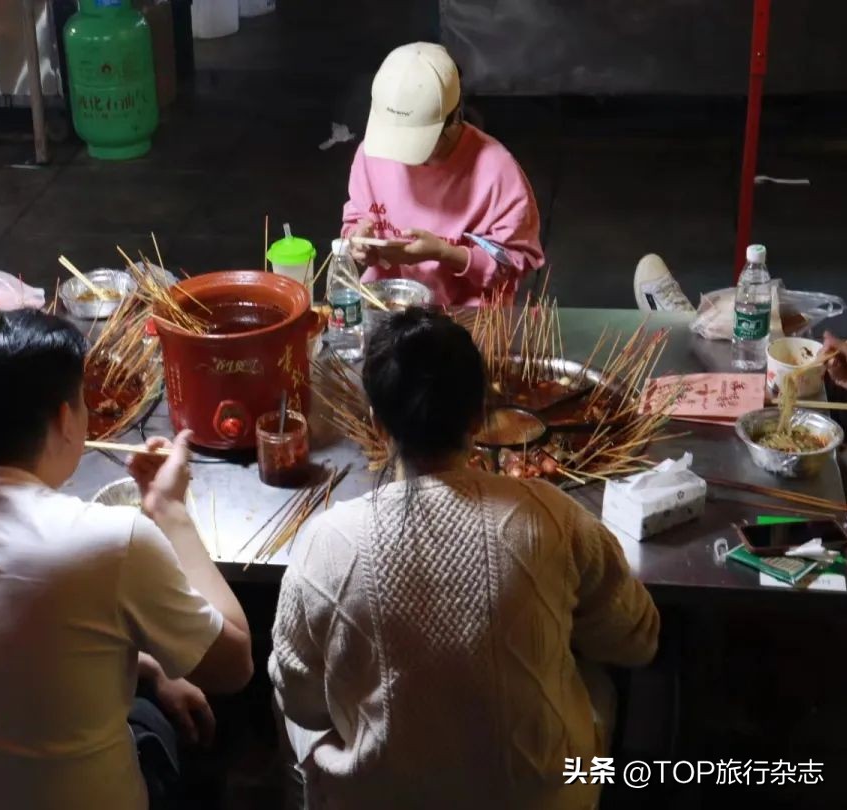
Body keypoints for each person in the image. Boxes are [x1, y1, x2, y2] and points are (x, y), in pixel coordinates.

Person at [0, 310, 253, 810]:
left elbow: (16, 646)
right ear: (66, 419)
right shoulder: (109, 541)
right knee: (215, 728)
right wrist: (169, 510)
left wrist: (154, 669)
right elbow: (234, 665)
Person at [270, 308, 659, 809]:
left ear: (377, 424)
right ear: (480, 417)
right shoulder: (554, 516)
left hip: (381, 800)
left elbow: (300, 699)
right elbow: (638, 641)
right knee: (599, 686)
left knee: (295, 708)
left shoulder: (323, 544)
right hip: (540, 799)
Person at [341, 43, 545, 306]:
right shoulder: (372, 152)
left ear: (454, 117)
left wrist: (445, 253)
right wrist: (357, 240)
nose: (402, 157)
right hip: (387, 306)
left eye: (416, 143)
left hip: (466, 316)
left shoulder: (496, 172)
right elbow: (356, 217)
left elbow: (514, 265)